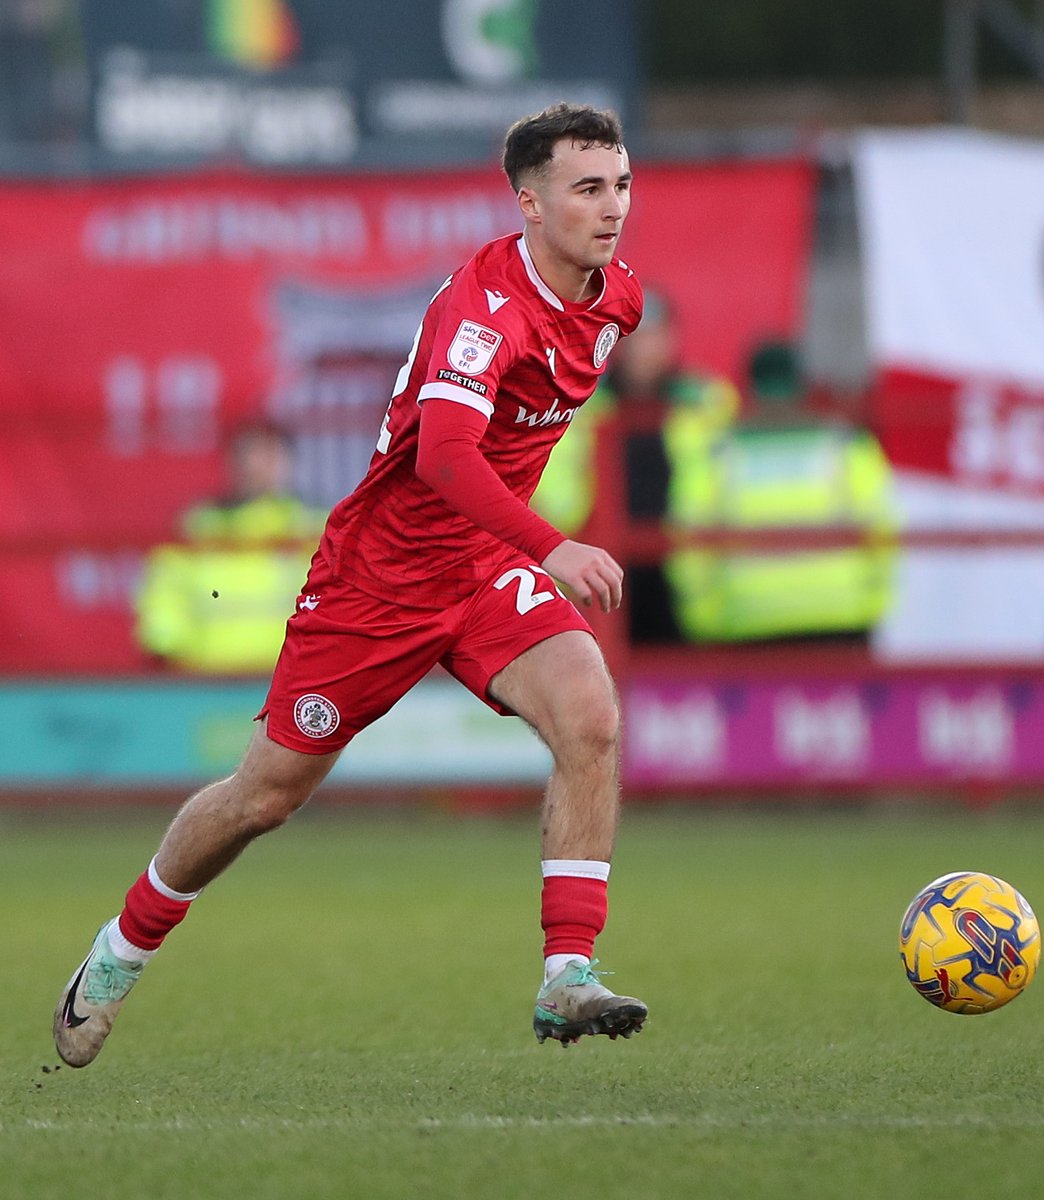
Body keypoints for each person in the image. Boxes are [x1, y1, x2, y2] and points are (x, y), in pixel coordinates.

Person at [53, 102, 648, 1067]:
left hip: (483, 571)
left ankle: (567, 976)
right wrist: (551, 546)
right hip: (379, 584)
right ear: (529, 204)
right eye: (587, 188)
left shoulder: (616, 296)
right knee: (262, 799)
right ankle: (117, 955)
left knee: (591, 718)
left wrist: (517, 555)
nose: (612, 206)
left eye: (620, 184)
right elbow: (447, 460)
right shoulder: (481, 312)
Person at [531, 290, 739, 643]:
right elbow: (553, 487)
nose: (646, 350)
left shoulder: (706, 400)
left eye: (655, 338)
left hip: (684, 573)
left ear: (672, 340)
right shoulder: (582, 404)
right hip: (602, 568)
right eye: (636, 339)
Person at [664, 338, 897, 643]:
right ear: (804, 386)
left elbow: (688, 545)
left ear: (747, 388)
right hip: (840, 619)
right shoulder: (847, 448)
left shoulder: (715, 455)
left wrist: (706, 622)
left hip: (745, 621)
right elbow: (883, 533)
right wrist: (871, 608)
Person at [135, 421, 327, 674]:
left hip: (291, 679)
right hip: (205, 681)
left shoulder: (313, 527)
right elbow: (164, 598)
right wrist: (167, 650)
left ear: (289, 463)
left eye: (268, 456)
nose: (256, 466)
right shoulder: (199, 526)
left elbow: (337, 602)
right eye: (248, 455)